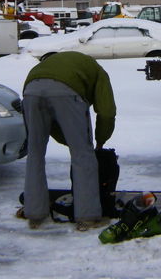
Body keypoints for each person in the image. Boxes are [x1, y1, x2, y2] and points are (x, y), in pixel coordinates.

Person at [19, 51, 116, 231]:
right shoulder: (97, 71)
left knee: (35, 153)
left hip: (31, 90)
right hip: (67, 92)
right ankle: (86, 217)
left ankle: (34, 214)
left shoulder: (49, 65)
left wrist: (68, 139)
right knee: (83, 156)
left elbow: (55, 124)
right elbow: (107, 111)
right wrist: (100, 141)